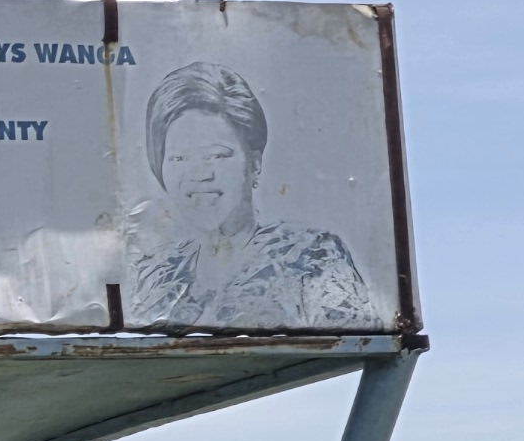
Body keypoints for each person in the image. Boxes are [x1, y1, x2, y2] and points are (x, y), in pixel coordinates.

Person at [127, 61, 380, 328]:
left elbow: (355, 342)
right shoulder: (156, 274)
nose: (199, 174)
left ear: (254, 163)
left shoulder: (310, 256)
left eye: (217, 155)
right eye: (178, 158)